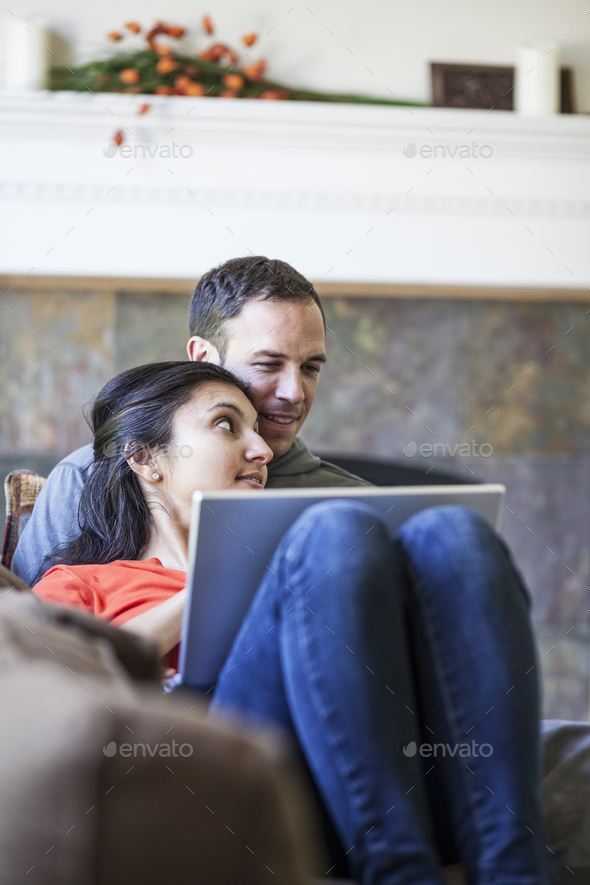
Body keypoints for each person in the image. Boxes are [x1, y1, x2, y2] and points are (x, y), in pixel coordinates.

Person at [32, 360, 551, 885]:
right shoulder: (78, 584)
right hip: (234, 786)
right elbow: (50, 704)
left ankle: (517, 869)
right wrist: (216, 593)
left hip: (397, 767)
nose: (260, 450)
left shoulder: (301, 565)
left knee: (453, 531)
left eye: (257, 430)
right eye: (227, 425)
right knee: (335, 527)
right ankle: (398, 869)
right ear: (146, 458)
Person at [11, 256, 369, 585]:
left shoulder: (355, 504)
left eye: (310, 368)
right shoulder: (88, 479)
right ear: (203, 358)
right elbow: (28, 636)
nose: (295, 393)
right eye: (268, 364)